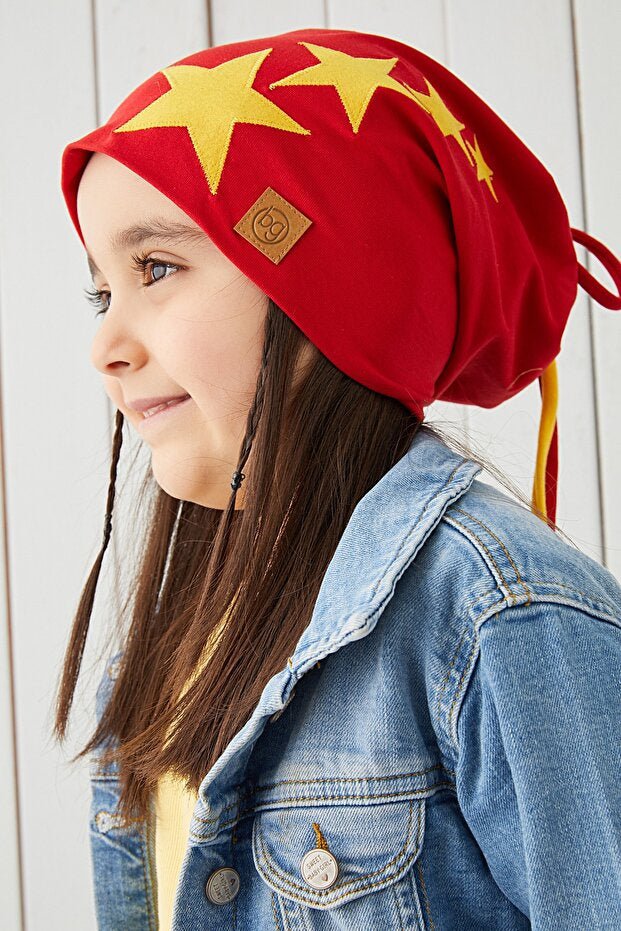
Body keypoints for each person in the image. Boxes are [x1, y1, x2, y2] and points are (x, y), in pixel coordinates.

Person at [54, 26, 621, 931]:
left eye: (156, 268)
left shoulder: (498, 613)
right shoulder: (171, 642)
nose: (105, 346)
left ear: (327, 289)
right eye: (102, 292)